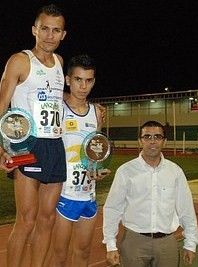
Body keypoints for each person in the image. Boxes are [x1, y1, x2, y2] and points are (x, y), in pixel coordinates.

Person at [0, 4, 67, 267]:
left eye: (56, 30)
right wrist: (1, 147)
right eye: (45, 29)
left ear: (63, 34)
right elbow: (1, 105)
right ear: (35, 30)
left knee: (47, 219)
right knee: (26, 219)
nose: (50, 35)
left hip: (55, 145)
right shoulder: (20, 60)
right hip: (26, 145)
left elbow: (55, 99)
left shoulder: (59, 63)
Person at [103, 120, 198, 267]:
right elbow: (113, 208)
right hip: (134, 241)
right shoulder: (126, 171)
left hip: (167, 243)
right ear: (140, 141)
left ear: (164, 141)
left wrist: (191, 243)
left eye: (157, 137)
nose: (152, 141)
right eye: (147, 137)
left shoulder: (175, 171)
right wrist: (111, 245)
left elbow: (186, 209)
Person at [48, 54, 111, 267]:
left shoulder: (97, 113)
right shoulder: (58, 109)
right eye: (78, 79)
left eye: (89, 80)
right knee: (58, 255)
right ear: (68, 80)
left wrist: (97, 168)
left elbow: (96, 150)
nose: (83, 86)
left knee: (83, 252)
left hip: (88, 194)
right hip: (63, 194)